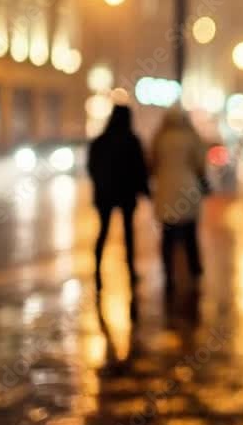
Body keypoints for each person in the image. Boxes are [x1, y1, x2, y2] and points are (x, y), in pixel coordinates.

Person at [87, 105, 150, 293]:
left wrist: (101, 185)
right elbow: (140, 169)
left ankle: (97, 272)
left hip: (105, 194)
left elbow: (92, 168)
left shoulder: (100, 141)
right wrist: (145, 191)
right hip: (126, 193)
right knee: (128, 233)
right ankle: (130, 270)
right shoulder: (131, 141)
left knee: (103, 231)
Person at [149, 107, 206, 297]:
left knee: (168, 236)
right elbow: (200, 163)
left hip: (165, 189)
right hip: (188, 188)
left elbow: (152, 163)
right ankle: (194, 270)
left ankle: (168, 275)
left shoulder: (160, 138)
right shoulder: (191, 137)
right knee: (190, 233)